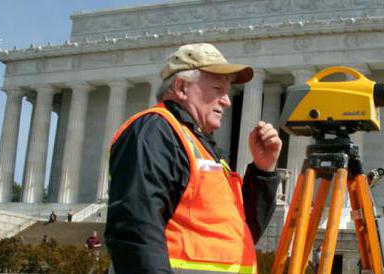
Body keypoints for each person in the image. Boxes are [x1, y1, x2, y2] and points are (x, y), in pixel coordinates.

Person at [105, 43, 282, 273]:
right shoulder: (155, 131)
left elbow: (240, 233)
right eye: (218, 88)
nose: (227, 101)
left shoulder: (203, 148)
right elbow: (136, 228)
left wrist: (263, 170)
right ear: (181, 87)